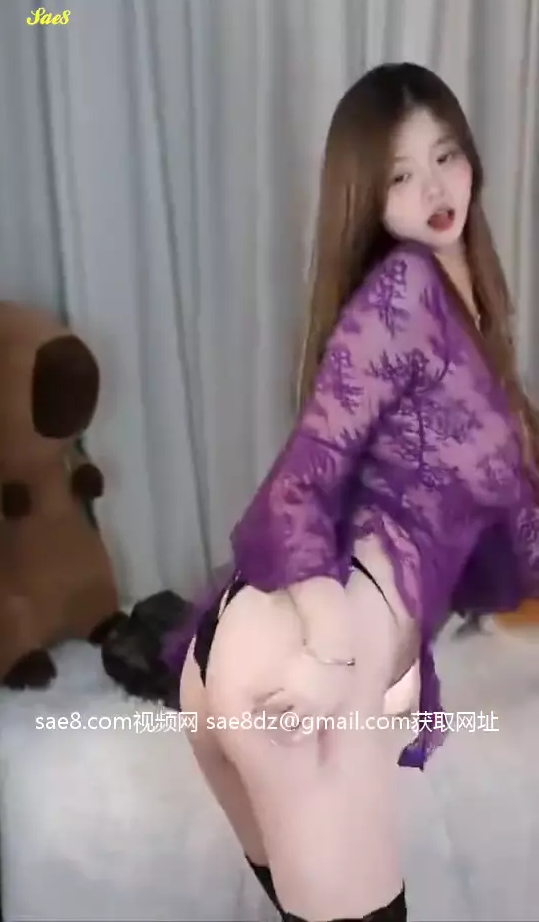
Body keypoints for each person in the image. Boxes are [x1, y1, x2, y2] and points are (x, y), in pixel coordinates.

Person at [163, 62, 539, 922]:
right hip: (308, 653)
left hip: (270, 646)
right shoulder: (406, 292)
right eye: (400, 176)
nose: (434, 189)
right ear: (367, 197)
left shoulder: (470, 313)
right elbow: (300, 482)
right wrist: (330, 652)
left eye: (445, 156)